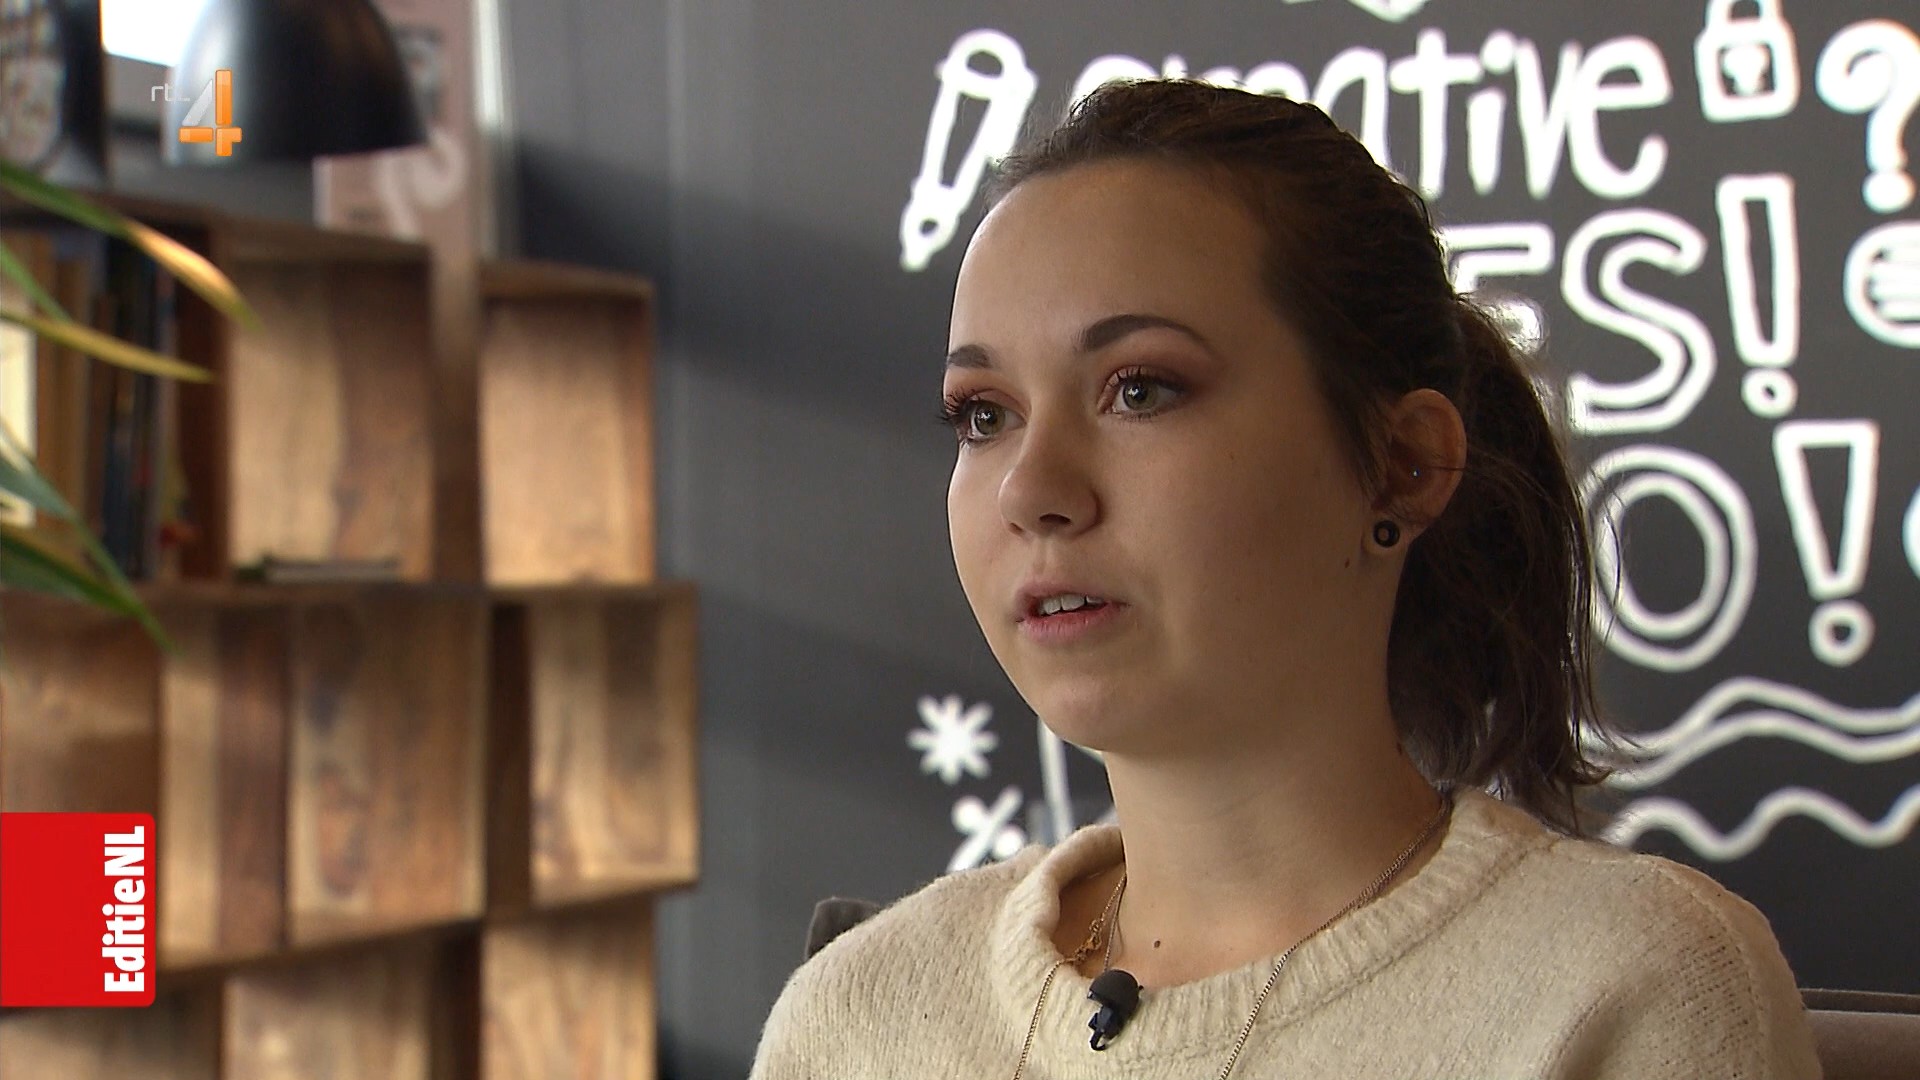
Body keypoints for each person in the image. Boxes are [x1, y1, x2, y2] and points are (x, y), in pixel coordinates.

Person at [748, 78, 1822, 1080]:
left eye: (1140, 390)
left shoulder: (1625, 990)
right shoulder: (855, 1018)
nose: (1032, 489)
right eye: (984, 415)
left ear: (1403, 464)